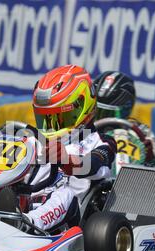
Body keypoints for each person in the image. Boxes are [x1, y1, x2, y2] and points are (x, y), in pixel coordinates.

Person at [22, 65, 117, 232]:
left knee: (65, 194)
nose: (52, 126)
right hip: (25, 202)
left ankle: (28, 225)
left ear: (81, 107)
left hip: (70, 219)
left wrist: (67, 160)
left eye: (60, 118)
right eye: (46, 119)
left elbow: (93, 163)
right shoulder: (34, 138)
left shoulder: (101, 141)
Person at [93, 71, 155, 162]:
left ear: (126, 108)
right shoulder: (82, 130)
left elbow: (154, 164)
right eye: (98, 111)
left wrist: (148, 152)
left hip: (132, 175)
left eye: (108, 113)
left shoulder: (141, 132)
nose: (102, 118)